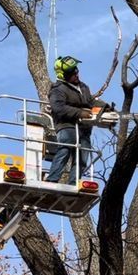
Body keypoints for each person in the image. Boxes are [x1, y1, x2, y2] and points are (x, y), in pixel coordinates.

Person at [47, 56, 95, 185]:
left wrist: (105, 108)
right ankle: (52, 179)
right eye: (72, 73)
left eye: (76, 70)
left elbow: (91, 102)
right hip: (66, 124)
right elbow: (59, 108)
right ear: (63, 75)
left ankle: (74, 182)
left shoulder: (83, 87)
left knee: (84, 156)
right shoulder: (58, 90)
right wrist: (80, 112)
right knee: (66, 147)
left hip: (84, 128)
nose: (76, 74)